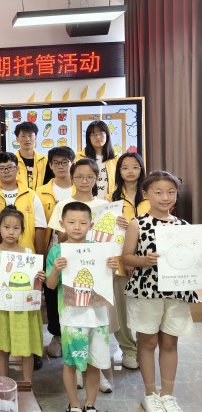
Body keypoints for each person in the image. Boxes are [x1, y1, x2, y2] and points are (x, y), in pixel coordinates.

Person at [122, 171, 197, 412]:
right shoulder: (138, 223)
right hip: (147, 291)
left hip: (176, 292)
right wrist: (144, 260)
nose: (165, 197)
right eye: (159, 192)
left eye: (171, 192)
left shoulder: (184, 226)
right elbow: (126, 257)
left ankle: (168, 395)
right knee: (148, 341)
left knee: (170, 343)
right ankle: (150, 394)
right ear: (146, 194)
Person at [46, 158, 119, 393]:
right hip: (71, 273)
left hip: (98, 273)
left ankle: (99, 374)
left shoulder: (104, 204)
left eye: (89, 176)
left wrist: (121, 225)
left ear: (97, 179)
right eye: (79, 176)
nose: (84, 180)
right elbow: (59, 238)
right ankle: (77, 371)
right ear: (72, 177)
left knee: (99, 329)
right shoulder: (64, 204)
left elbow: (112, 238)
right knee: (75, 331)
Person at [0, 207, 45, 383]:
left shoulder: (29, 254)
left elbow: (35, 284)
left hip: (24, 311)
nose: (11, 232)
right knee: (2, 348)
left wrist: (40, 278)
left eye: (16, 228)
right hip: (2, 310)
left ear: (22, 230)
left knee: (27, 347)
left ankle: (27, 383)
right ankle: (4, 382)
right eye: (6, 227)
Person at [107, 152, 149, 370]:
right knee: (121, 309)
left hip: (147, 261)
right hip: (119, 261)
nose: (130, 171)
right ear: (119, 171)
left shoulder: (151, 196)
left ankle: (143, 349)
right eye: (125, 167)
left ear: (142, 169)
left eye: (135, 167)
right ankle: (128, 350)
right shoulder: (110, 199)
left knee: (145, 308)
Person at [36, 146, 75, 358]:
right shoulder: (40, 192)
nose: (61, 166)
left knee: (75, 292)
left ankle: (76, 333)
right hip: (53, 248)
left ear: (72, 163)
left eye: (65, 162)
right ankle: (56, 335)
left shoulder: (80, 188)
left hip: (79, 249)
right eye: (56, 163)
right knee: (51, 294)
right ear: (50, 166)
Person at [0, 152, 47, 255]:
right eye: (2, 168)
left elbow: (40, 227)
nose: (6, 171)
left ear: (17, 169)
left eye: (10, 167)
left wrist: (41, 258)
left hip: (26, 254)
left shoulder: (31, 195)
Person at [75, 121, 118, 198]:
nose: (98, 137)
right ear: (88, 138)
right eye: (93, 134)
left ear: (107, 135)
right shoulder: (78, 158)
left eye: (101, 134)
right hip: (86, 201)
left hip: (111, 202)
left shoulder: (117, 158)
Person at [14, 122, 48, 190]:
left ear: (35, 138)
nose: (27, 139)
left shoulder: (44, 160)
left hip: (41, 196)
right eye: (23, 136)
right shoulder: (12, 161)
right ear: (17, 139)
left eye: (30, 135)